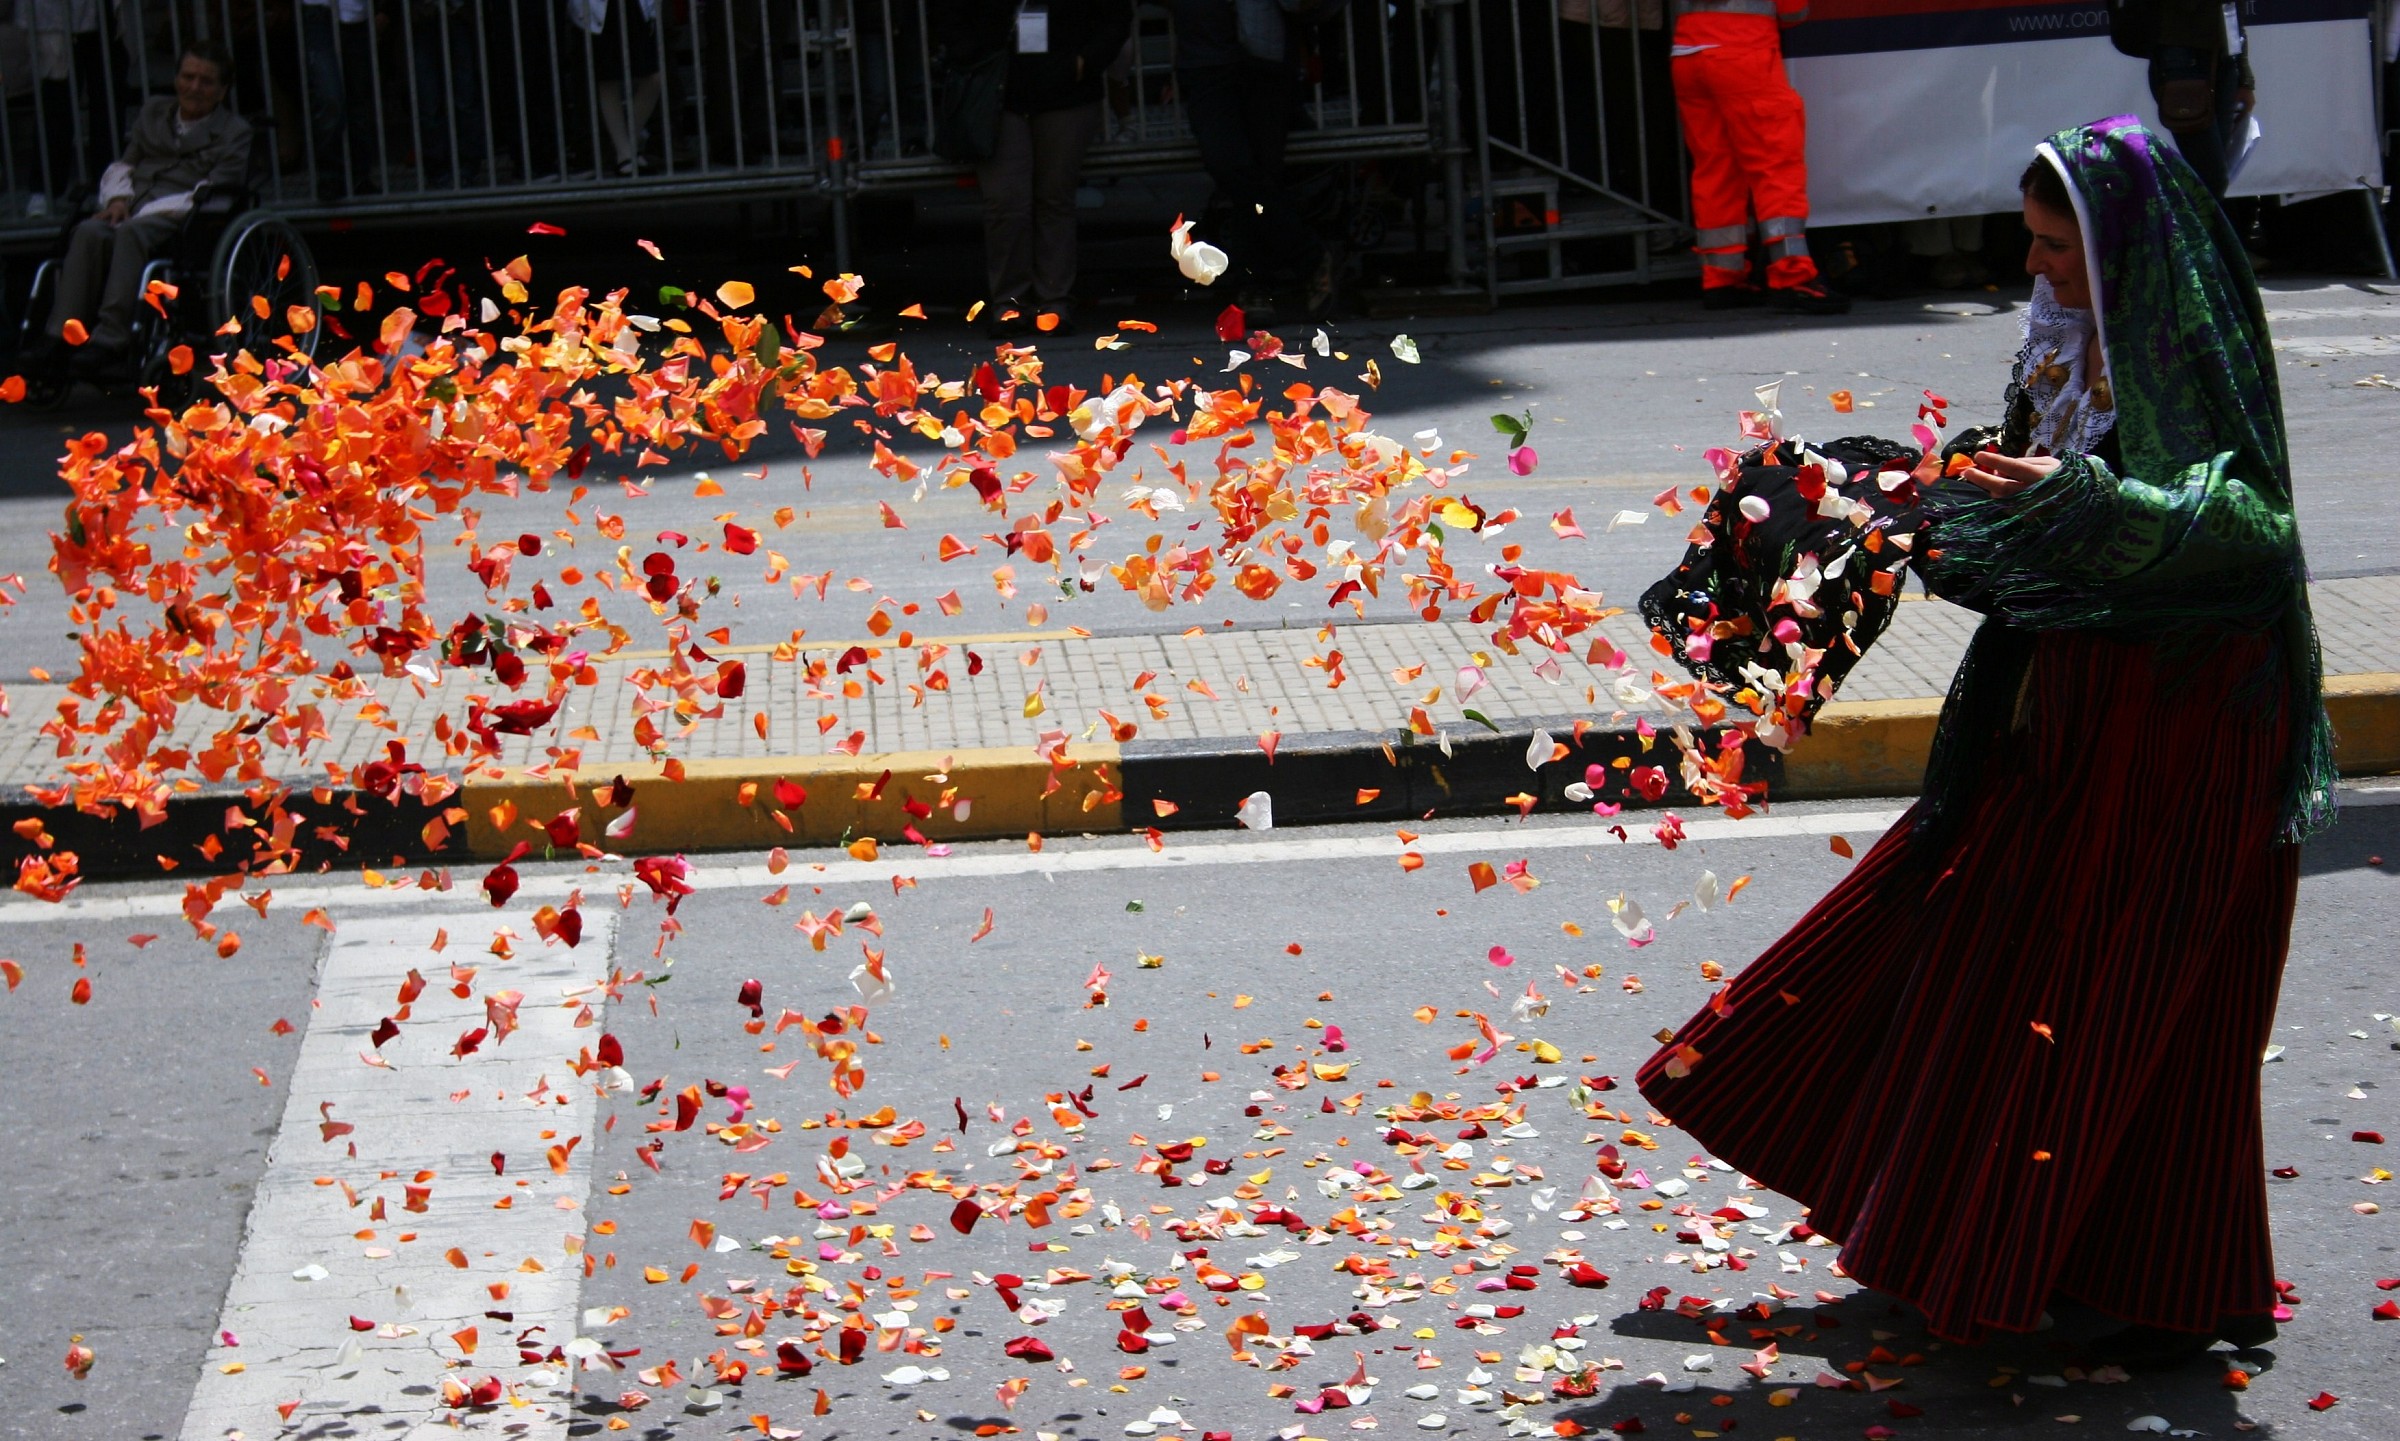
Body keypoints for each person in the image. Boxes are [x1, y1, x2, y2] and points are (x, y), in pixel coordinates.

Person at [1635, 116, 2331, 1363]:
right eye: (2030, 243)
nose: (2038, 272)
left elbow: (2248, 529)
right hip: (2064, 712)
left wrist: (2097, 503)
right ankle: (1981, 1242)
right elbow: (2034, 518)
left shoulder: (2179, 346)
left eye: (2060, 249)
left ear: (2125, 256)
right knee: (1981, 961)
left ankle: (2122, 1277)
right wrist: (1882, 510)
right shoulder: (2068, 347)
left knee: (2109, 1003)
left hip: (2182, 732)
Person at [37, 42, 251, 378]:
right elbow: (128, 162)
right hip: (133, 207)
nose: (194, 87)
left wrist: (144, 213)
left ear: (222, 91)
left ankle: (112, 337)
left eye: (206, 82)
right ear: (177, 78)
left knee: (132, 233)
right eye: (188, 77)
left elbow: (213, 191)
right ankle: (62, 336)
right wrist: (117, 201)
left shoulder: (234, 132)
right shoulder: (153, 112)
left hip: (183, 214)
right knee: (90, 231)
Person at [941, 0, 1130, 337]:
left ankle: (1052, 299)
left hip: (1065, 88)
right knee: (1006, 201)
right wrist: (970, 55)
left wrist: (1086, 61)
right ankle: (1012, 301)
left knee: (1054, 198)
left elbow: (1114, 17)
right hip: (998, 86)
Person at [1668, 0, 1846, 313]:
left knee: (1715, 168)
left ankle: (1721, 278)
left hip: (1687, 52)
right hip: (1742, 53)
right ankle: (1793, 277)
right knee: (1776, 165)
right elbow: (1794, 11)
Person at [1169, 0, 1335, 321]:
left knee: (1259, 173)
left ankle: (1256, 283)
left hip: (1262, 58)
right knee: (1232, 167)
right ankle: (1308, 258)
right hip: (1211, 58)